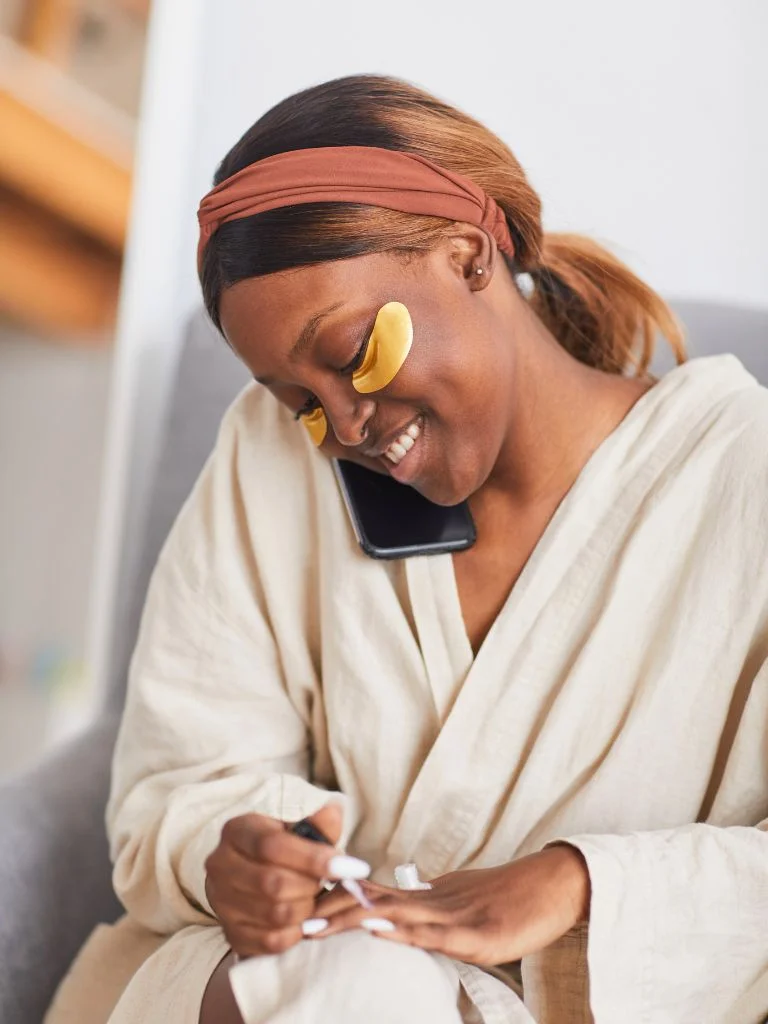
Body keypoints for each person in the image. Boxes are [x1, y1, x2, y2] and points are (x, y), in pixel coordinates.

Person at [52, 75, 768, 1024]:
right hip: (299, 988)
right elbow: (185, 777)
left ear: (468, 255)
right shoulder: (272, 462)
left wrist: (580, 885)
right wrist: (237, 854)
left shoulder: (744, 477)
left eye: (352, 353)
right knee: (356, 983)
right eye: (298, 401)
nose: (343, 423)